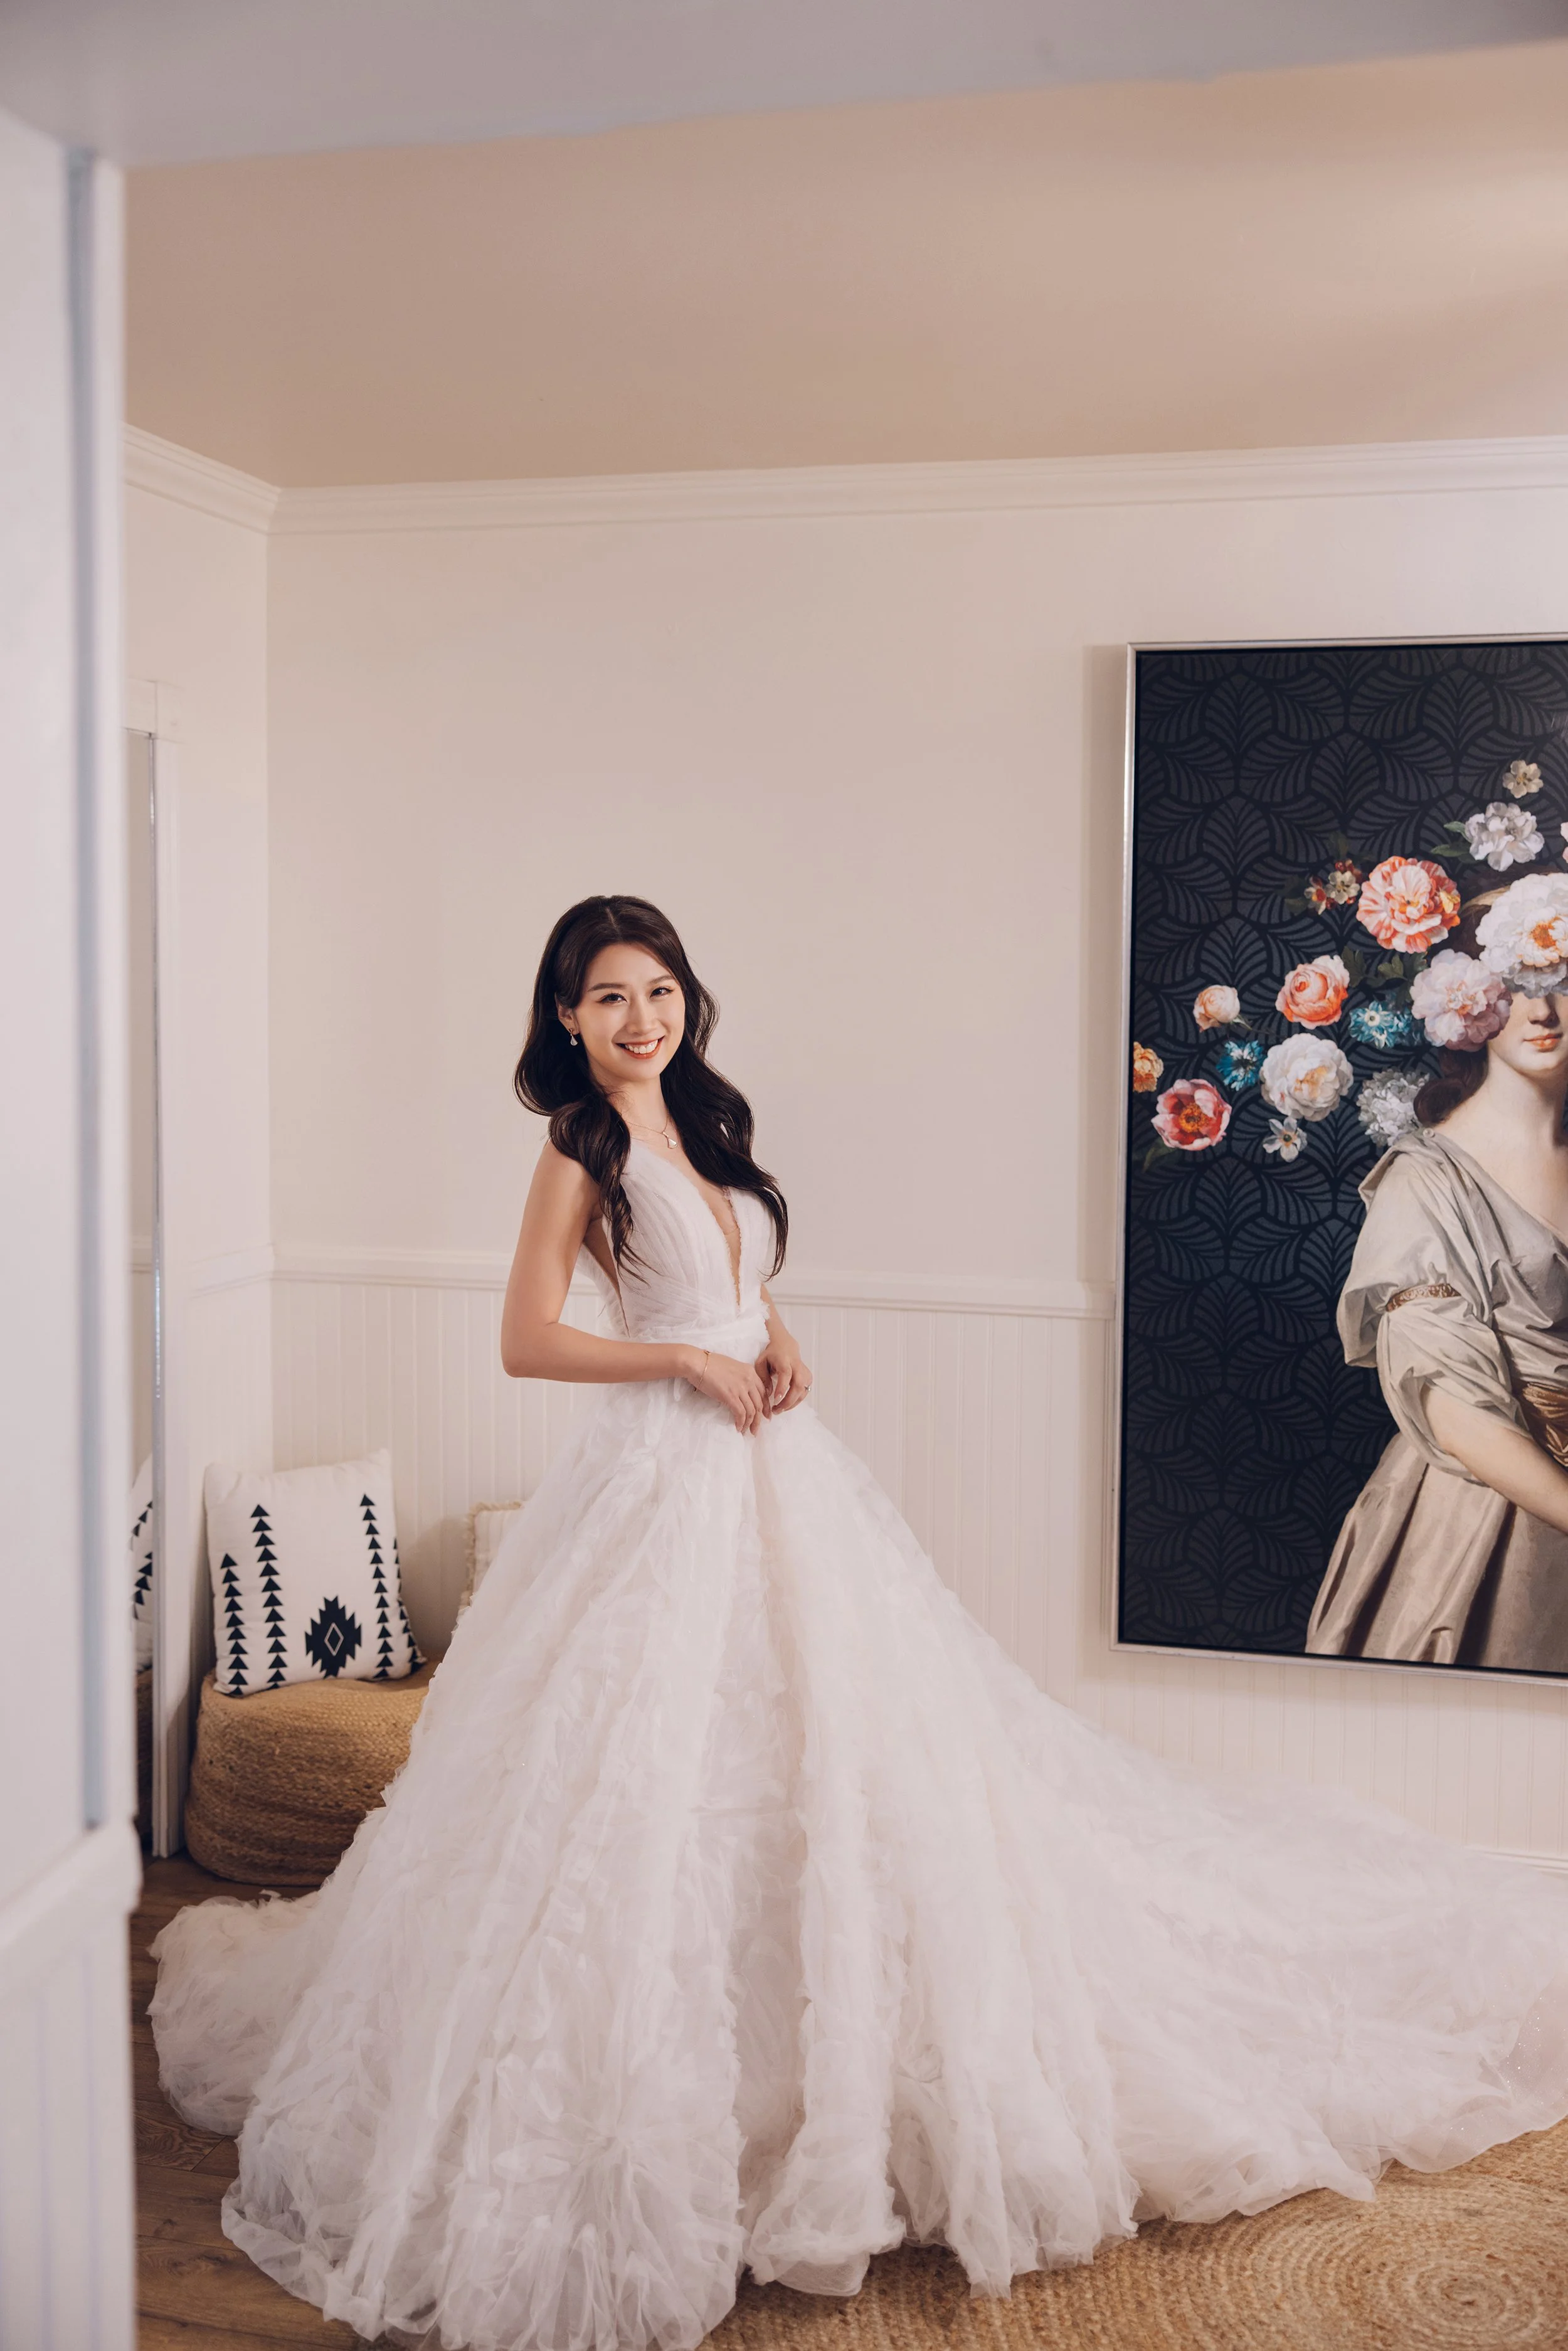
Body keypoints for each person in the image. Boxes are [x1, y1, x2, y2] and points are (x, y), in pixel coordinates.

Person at [151, 893, 1568, 2351]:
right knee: (648, 1780)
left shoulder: (705, 1122)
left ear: (685, 1000)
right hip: (657, 1488)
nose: (640, 1018)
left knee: (849, 1754)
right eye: (609, 997)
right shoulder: (576, 1145)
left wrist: (771, 1333)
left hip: (775, 1466)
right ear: (566, 1016)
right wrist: (685, 1363)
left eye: (658, 990)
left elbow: (733, 1277)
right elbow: (526, 1337)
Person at [1309, 883, 1568, 1672]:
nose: (1543, 1011)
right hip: (1486, 1517)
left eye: (1562, 983)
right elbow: (1453, 1410)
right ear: (1473, 1004)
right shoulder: (1426, 1178)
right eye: (1516, 987)